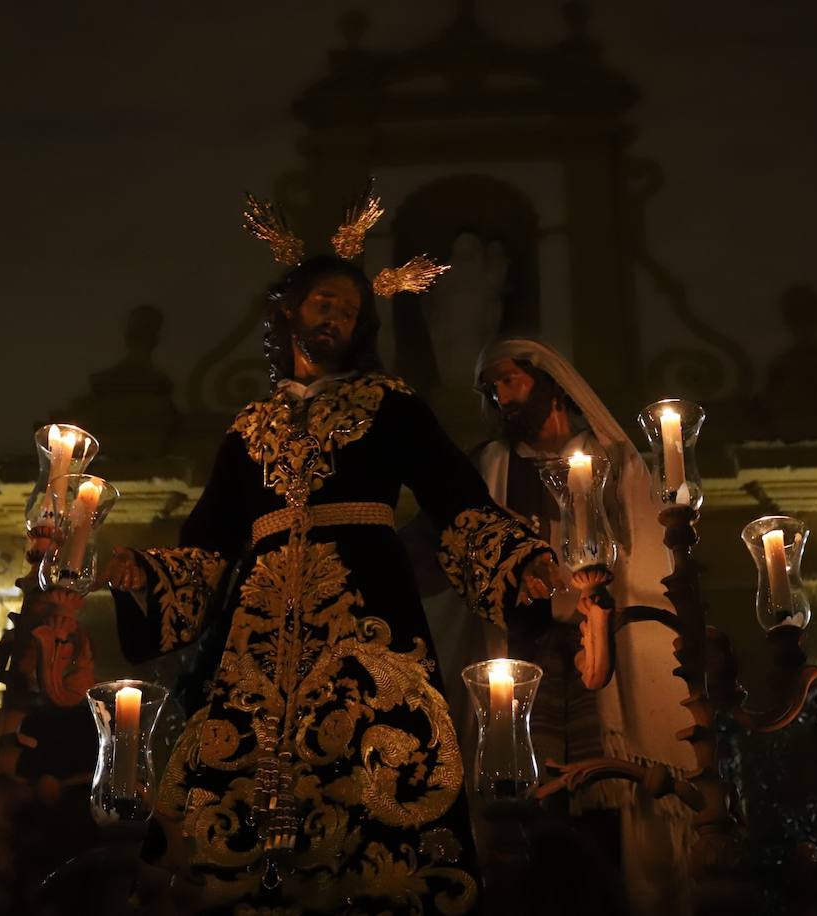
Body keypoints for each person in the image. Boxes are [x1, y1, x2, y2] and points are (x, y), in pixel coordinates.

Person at [99, 201, 557, 913]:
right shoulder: (249, 427)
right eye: (322, 302)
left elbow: (454, 498)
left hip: (367, 609)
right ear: (286, 313)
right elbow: (209, 542)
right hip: (258, 625)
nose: (334, 318)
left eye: (346, 309)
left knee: (379, 776)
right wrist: (144, 576)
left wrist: (517, 559)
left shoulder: (391, 403)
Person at [468, 337, 696, 914]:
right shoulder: (491, 469)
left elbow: (643, 547)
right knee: (526, 793)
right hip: (525, 652)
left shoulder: (612, 460)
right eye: (492, 387)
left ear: (548, 380)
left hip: (606, 645)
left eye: (510, 380)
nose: (500, 395)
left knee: (611, 794)